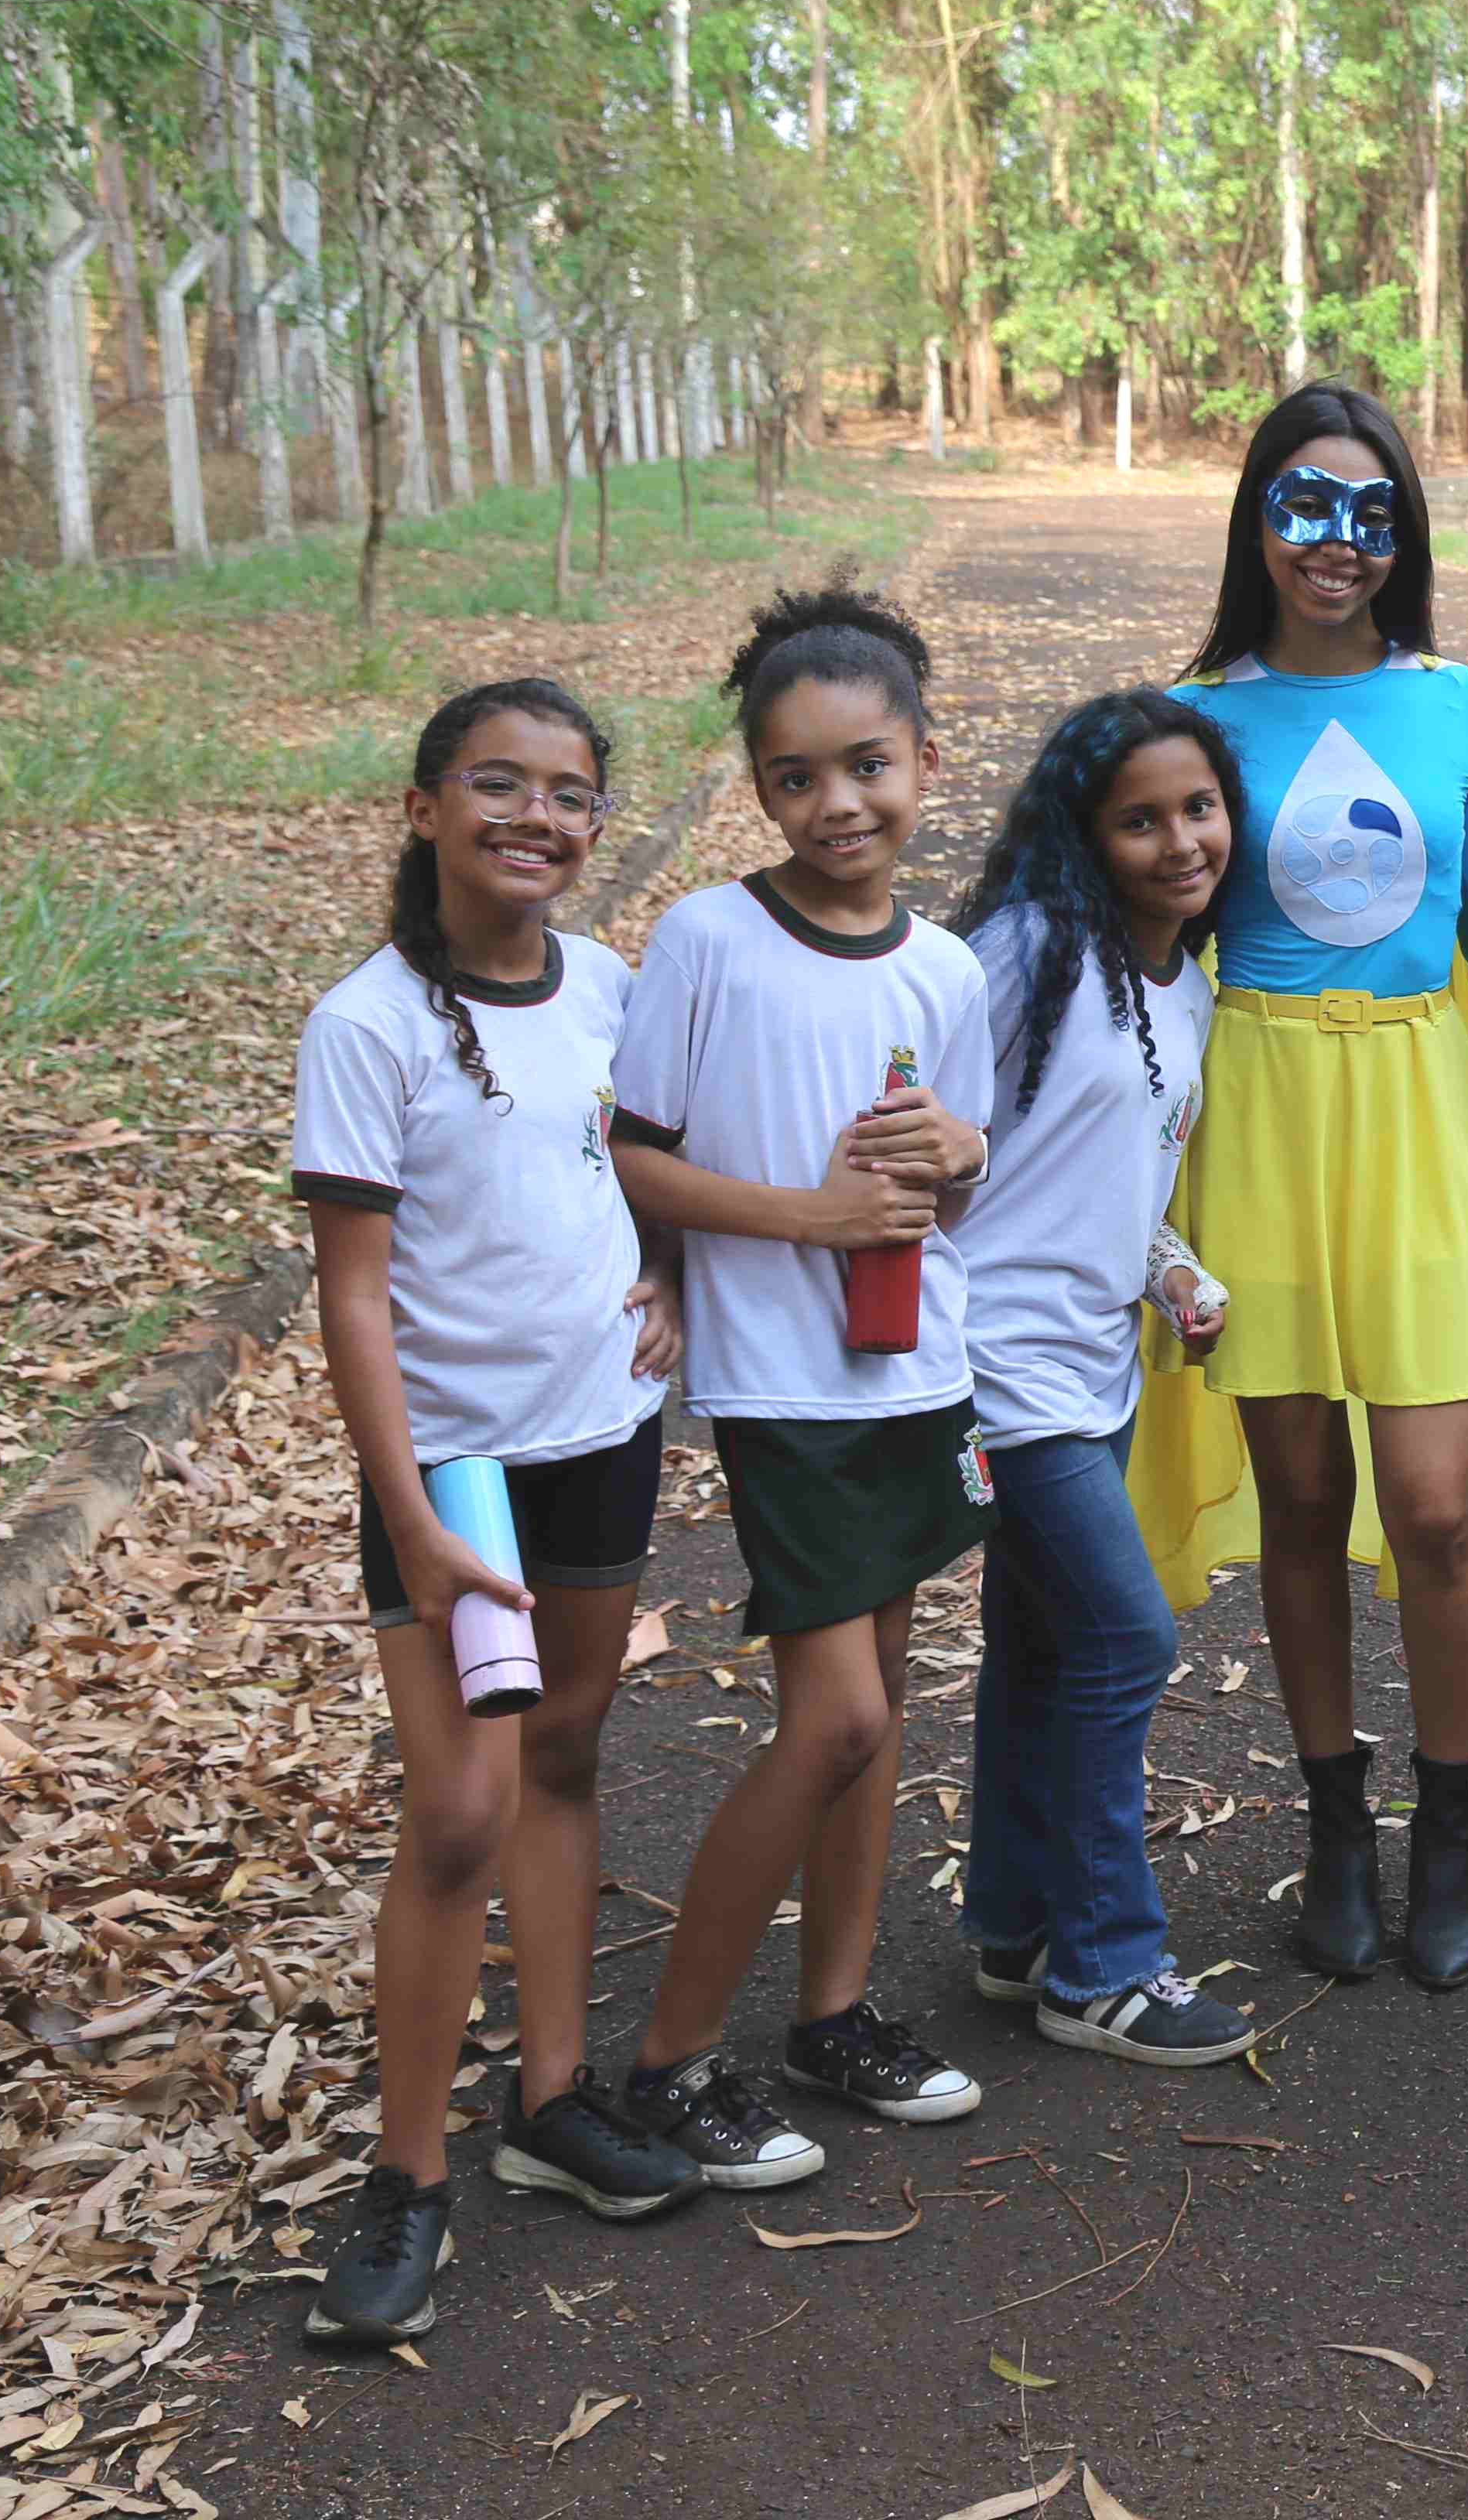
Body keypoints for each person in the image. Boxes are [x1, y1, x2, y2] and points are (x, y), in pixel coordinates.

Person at [293, 680, 700, 2344]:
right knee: (461, 1807)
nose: (539, 817)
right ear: (425, 807)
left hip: (600, 1431)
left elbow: (642, 1166)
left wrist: (669, 1269)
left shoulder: (605, 985)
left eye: (571, 793)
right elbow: (353, 1294)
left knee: (568, 1756)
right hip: (453, 1469)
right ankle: (406, 2177)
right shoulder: (367, 1022)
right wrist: (408, 1517)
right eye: (499, 784)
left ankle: (550, 2102)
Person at [611, 590, 998, 2186]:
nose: (838, 803)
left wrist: (962, 1155)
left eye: (868, 766)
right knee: (833, 1716)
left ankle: (834, 2015)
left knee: (878, 1710)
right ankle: (666, 2063)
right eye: (796, 777)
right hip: (783, 1383)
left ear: (924, 761)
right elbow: (634, 1154)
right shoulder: (710, 939)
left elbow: (954, 1176)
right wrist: (803, 1221)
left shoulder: (948, 968)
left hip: (917, 1367)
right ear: (759, 788)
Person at [1154, 385, 1468, 1994]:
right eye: (1305, 505)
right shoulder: (1191, 715)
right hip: (1257, 1107)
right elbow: (1141, 926)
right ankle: (1336, 1827)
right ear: (1256, 518)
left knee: (1435, 1505)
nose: (1339, 543)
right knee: (1300, 1497)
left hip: (1422, 1108)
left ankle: (1448, 1827)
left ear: (1406, 537)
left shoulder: (1457, 703)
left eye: (1374, 515)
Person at [946, 689, 1264, 2065]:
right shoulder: (1027, 951)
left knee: (1043, 1648)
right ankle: (1105, 1967)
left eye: (1200, 809)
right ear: (1085, 835)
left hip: (1096, 1362)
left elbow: (1094, 1181)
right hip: (997, 1369)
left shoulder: (1186, 982)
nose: (1181, 842)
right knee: (1127, 1639)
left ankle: (1018, 1927)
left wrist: (1173, 1270)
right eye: (1140, 820)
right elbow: (933, 1145)